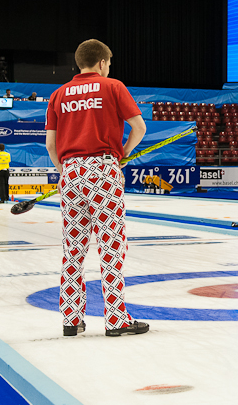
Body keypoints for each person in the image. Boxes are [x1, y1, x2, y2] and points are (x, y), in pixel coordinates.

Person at [45, 39, 149, 338]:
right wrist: (124, 153)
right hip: (103, 168)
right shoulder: (113, 86)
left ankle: (71, 319)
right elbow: (139, 127)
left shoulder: (58, 94)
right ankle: (116, 319)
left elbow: (51, 144)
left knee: (73, 249)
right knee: (110, 245)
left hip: (71, 171)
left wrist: (66, 170)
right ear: (102, 62)